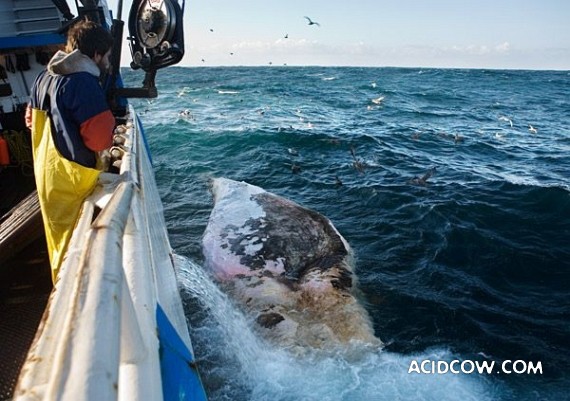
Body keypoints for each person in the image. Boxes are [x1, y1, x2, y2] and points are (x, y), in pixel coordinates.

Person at [25, 19, 115, 281]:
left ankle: (59, 288)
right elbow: (100, 140)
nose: (108, 63)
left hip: (46, 175)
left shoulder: (42, 77)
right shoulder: (83, 83)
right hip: (74, 180)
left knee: (58, 241)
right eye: (107, 56)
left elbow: (30, 121)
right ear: (95, 55)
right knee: (76, 245)